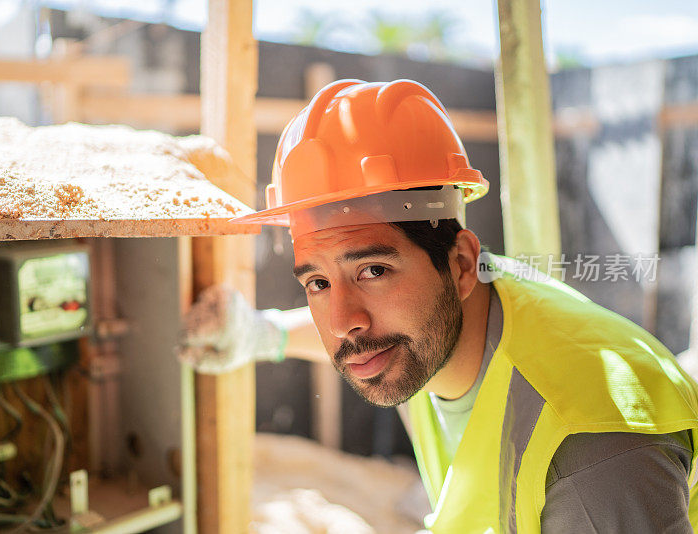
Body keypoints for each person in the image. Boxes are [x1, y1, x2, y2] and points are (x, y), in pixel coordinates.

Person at [178, 79, 698, 532]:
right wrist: (262, 334)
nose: (343, 323)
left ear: (461, 265)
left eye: (374, 271)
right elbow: (361, 332)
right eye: (317, 282)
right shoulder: (445, 320)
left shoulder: (591, 459)